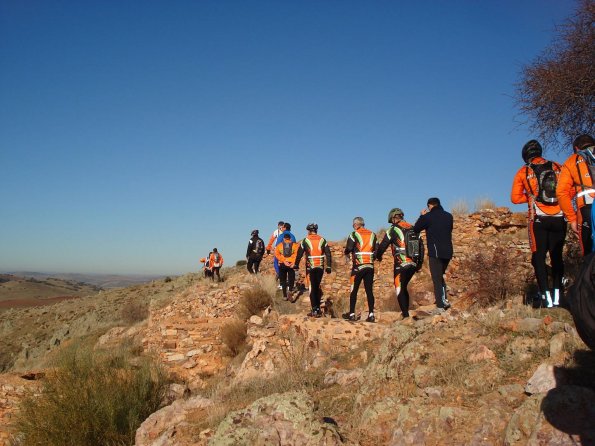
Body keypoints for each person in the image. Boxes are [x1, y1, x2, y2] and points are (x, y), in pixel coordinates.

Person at [511, 140, 566, 307]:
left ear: (526, 156)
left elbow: (514, 198)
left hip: (539, 219)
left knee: (539, 257)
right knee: (557, 257)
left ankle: (545, 298)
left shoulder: (524, 171)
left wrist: (530, 197)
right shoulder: (558, 166)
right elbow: (567, 190)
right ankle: (558, 296)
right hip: (560, 217)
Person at [557, 134, 595, 256]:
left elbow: (561, 192)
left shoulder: (572, 160)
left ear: (576, 148)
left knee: (589, 252)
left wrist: (572, 219)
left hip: (587, 208)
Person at [413, 197, 453, 313]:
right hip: (448, 251)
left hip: (435, 252)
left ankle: (440, 306)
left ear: (430, 206)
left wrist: (422, 216)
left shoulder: (428, 217)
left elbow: (416, 228)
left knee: (436, 278)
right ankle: (444, 300)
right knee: (440, 276)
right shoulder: (449, 216)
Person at [376, 208, 417, 319]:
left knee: (399, 288)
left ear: (394, 218)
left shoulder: (392, 230)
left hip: (401, 263)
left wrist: (378, 256)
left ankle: (405, 315)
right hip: (413, 263)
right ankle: (406, 312)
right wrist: (420, 263)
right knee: (404, 287)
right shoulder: (412, 227)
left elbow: (383, 245)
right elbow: (421, 246)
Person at [294, 223, 332, 317]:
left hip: (310, 267)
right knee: (317, 287)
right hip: (320, 267)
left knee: (312, 288)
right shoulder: (322, 240)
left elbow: (299, 254)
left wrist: (296, 264)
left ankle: (315, 310)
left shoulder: (305, 240)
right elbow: (328, 253)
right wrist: (329, 266)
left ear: (309, 231)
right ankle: (318, 309)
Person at [343, 217, 377, 322]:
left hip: (358, 266)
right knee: (369, 291)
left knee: (354, 290)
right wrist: (371, 258)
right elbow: (377, 249)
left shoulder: (354, 234)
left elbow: (349, 248)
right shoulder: (373, 234)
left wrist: (346, 253)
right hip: (370, 266)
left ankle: (352, 314)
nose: (353, 227)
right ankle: (371, 314)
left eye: (353, 225)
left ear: (356, 225)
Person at [274, 233, 299, 301]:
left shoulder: (279, 245)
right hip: (291, 264)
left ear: (284, 239)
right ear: (290, 238)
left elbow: (276, 254)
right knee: (291, 278)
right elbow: (296, 255)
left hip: (283, 264)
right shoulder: (295, 245)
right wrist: (293, 263)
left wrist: (284, 260)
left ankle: (285, 296)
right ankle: (290, 291)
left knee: (283, 280)